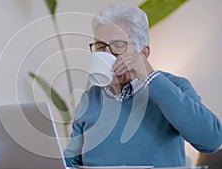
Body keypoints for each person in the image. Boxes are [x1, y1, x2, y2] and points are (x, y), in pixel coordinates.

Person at [63, 4, 222, 168]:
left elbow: (212, 141)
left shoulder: (173, 86)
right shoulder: (90, 98)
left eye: (118, 46)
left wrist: (148, 75)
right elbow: (70, 161)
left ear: (143, 53)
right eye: (100, 47)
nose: (106, 54)